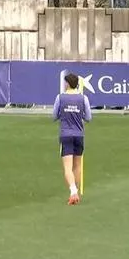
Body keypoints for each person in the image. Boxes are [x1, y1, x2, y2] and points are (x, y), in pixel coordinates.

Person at [52, 73, 92, 205]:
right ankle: (74, 193)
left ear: (68, 84)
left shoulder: (60, 97)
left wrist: (64, 114)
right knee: (78, 165)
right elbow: (88, 118)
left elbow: (54, 116)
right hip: (79, 134)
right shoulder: (83, 98)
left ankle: (73, 191)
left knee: (67, 167)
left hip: (66, 134)